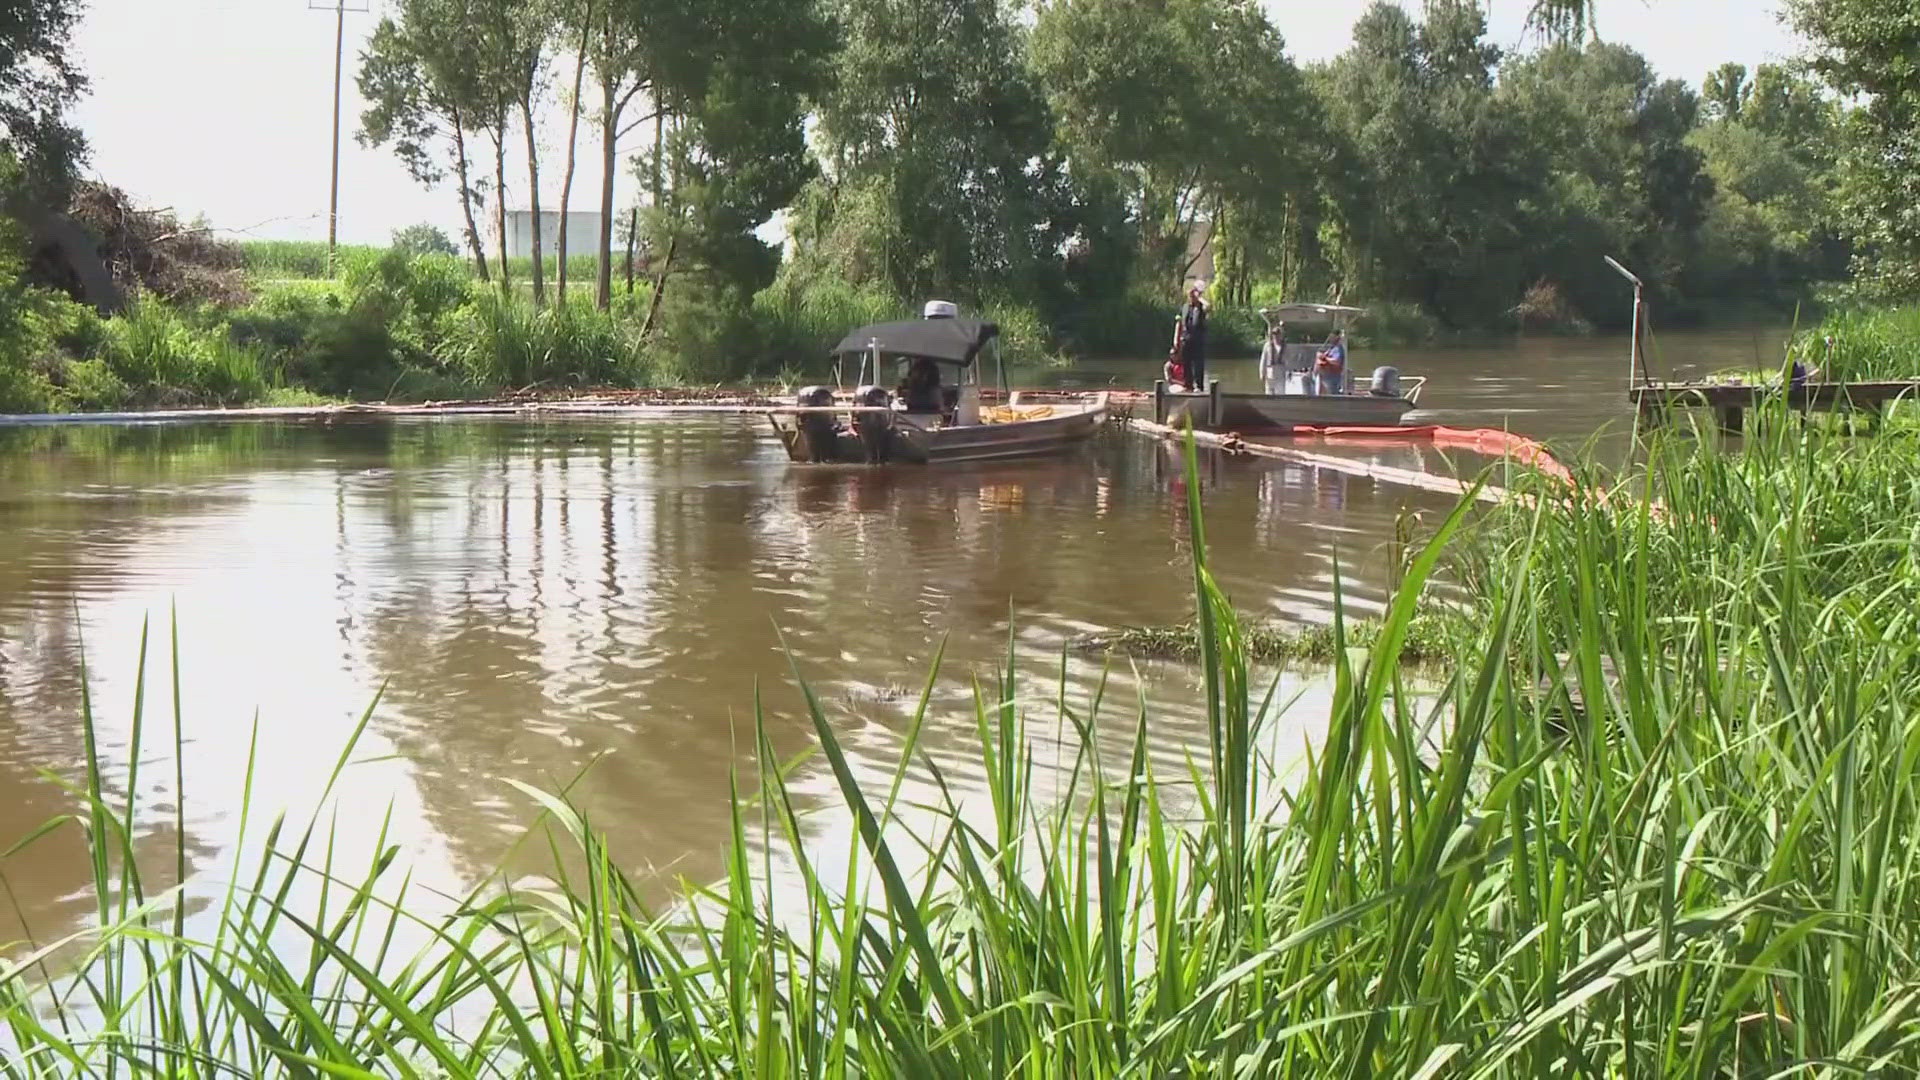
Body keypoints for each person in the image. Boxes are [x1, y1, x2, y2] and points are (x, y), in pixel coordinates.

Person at [1175, 282, 1209, 391]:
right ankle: (1188, 385)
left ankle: (1199, 386)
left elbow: (1208, 306)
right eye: (1190, 295)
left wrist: (1199, 298)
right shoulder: (1185, 307)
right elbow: (1179, 323)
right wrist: (1176, 339)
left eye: (1193, 295)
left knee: (1198, 364)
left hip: (1198, 340)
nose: (1191, 297)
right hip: (1186, 339)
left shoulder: (1201, 307)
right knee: (1186, 363)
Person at [1314, 330, 1347, 396]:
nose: (1330, 338)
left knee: (1331, 396)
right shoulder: (1331, 348)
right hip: (1324, 377)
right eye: (1330, 336)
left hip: (1332, 378)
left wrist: (1324, 357)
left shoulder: (1338, 349)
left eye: (1332, 337)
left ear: (1337, 337)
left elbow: (1336, 361)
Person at [1261, 321, 1289, 394]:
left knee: (1280, 393)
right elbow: (1263, 360)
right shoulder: (1267, 345)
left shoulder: (1285, 346)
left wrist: (1288, 372)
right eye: (1274, 334)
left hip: (1280, 372)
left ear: (1281, 335)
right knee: (1269, 393)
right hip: (1270, 372)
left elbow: (1288, 360)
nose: (1276, 336)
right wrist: (1262, 373)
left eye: (1277, 334)